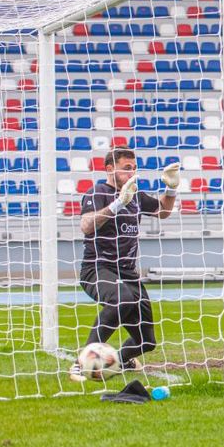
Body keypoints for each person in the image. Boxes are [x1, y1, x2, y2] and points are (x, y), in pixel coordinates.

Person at [69, 149, 179, 382]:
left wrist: (171, 188)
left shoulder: (136, 195)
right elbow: (86, 225)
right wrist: (118, 203)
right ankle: (81, 363)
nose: (132, 172)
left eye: (134, 168)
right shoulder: (97, 192)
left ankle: (119, 360)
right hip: (97, 268)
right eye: (127, 168)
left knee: (146, 341)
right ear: (110, 169)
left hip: (128, 273)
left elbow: (164, 211)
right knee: (124, 299)